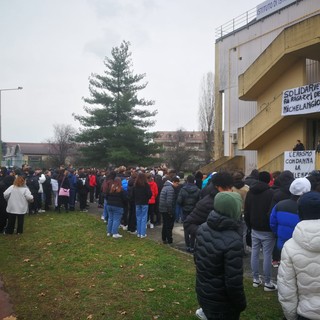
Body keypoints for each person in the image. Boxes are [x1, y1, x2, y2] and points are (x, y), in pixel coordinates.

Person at [194, 192, 247, 320]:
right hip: (222, 302)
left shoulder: (203, 227)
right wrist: (240, 303)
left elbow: (197, 259)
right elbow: (233, 281)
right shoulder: (233, 241)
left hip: (203, 292)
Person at [278, 191, 320, 320]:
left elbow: (287, 289)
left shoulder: (290, 247)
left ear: (299, 213)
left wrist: (290, 316)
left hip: (306, 313)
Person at [183, 171, 234, 253]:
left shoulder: (232, 201)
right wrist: (207, 235)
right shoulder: (206, 203)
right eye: (226, 188)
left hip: (229, 251)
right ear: (217, 187)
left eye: (231, 188)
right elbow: (188, 223)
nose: (230, 191)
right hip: (209, 251)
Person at [244, 171, 277, 291]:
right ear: (269, 180)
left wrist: (249, 225)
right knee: (267, 254)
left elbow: (246, 211)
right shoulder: (271, 193)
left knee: (255, 252)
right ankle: (268, 282)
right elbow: (272, 213)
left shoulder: (250, 192)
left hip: (254, 227)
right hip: (267, 229)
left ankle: (255, 279)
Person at [270, 177, 311, 260]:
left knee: (284, 269)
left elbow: (272, 223)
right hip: (301, 247)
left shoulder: (279, 205)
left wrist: (278, 234)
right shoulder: (307, 208)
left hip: (282, 245)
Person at [177, 175, 200, 252]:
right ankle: (192, 245)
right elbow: (199, 201)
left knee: (186, 227)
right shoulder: (197, 190)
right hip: (194, 211)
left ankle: (187, 245)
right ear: (194, 181)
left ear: (187, 181)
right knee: (193, 227)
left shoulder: (183, 189)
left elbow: (179, 201)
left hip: (185, 210)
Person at [159, 176, 180, 244]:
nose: (177, 185)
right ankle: (169, 239)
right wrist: (170, 212)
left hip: (162, 208)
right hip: (167, 209)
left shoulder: (165, 187)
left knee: (165, 224)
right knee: (169, 225)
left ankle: (164, 238)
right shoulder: (170, 189)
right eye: (177, 183)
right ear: (173, 182)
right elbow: (169, 202)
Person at [133, 172, 152, 238]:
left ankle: (138, 232)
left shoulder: (135, 185)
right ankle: (142, 233)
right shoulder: (146, 185)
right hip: (144, 202)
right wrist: (147, 198)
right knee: (144, 218)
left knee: (138, 217)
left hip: (137, 202)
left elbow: (133, 194)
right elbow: (150, 194)